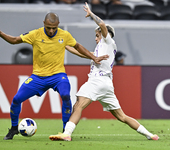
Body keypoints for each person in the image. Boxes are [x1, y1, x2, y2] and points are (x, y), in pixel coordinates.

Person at [49, 2, 159, 141]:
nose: (95, 38)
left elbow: (102, 25)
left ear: (104, 34)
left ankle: (67, 134)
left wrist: (91, 14)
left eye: (97, 35)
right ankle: (150, 135)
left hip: (97, 81)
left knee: (78, 105)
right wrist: (63, 44)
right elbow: (82, 53)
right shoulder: (100, 49)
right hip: (106, 84)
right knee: (122, 116)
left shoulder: (108, 41)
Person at [0, 12, 108, 140]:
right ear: (44, 24)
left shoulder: (65, 35)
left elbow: (78, 47)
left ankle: (65, 131)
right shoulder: (35, 34)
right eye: (48, 28)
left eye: (54, 28)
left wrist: (93, 57)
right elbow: (14, 40)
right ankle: (13, 128)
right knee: (16, 99)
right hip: (38, 77)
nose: (51, 31)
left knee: (65, 95)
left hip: (58, 76)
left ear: (58, 25)